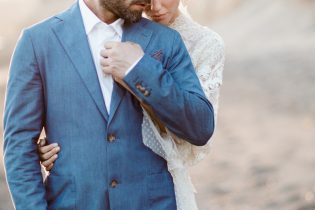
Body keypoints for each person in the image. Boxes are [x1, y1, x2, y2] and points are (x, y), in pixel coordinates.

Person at [3, 0, 216, 209]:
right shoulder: (37, 41)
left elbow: (200, 127)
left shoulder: (166, 40)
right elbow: (19, 146)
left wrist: (139, 69)